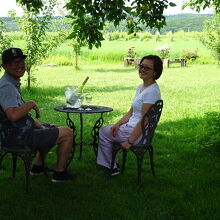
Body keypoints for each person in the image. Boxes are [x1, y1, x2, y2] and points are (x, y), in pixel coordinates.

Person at [0, 48, 76, 182]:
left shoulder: (11, 83)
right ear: (4, 66)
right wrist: (31, 103)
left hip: (18, 133)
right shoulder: (6, 86)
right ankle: (60, 174)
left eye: (22, 61)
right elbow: (12, 115)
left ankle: (38, 167)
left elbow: (20, 114)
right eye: (15, 62)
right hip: (18, 138)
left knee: (51, 128)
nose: (20, 65)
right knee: (68, 132)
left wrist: (39, 125)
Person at [97, 55, 163, 175]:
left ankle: (112, 167)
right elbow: (131, 112)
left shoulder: (152, 92)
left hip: (139, 134)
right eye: (141, 66)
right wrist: (117, 124)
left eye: (147, 68)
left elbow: (144, 120)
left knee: (103, 132)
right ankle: (112, 164)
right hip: (132, 128)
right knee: (110, 129)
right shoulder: (141, 87)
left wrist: (130, 142)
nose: (142, 69)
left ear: (155, 73)